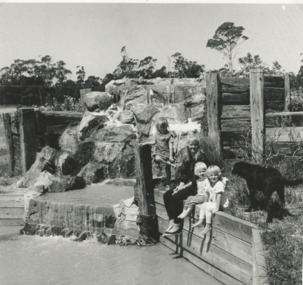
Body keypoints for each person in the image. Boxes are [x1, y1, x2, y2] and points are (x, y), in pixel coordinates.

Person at [162, 137, 210, 235]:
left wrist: (183, 188)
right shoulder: (187, 157)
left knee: (176, 197)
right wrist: (180, 186)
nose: (193, 147)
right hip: (188, 184)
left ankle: (177, 224)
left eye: (195, 145)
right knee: (167, 195)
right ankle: (171, 220)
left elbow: (195, 178)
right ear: (188, 145)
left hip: (198, 185)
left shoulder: (201, 158)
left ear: (198, 146)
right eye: (191, 145)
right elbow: (183, 175)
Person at [191, 165, 228, 235]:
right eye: (211, 175)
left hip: (220, 204)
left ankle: (208, 225)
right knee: (204, 205)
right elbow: (207, 193)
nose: (213, 177)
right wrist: (205, 203)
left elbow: (219, 197)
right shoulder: (209, 183)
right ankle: (201, 220)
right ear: (208, 176)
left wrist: (217, 208)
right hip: (214, 202)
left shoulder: (219, 184)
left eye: (215, 175)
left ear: (219, 175)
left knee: (208, 208)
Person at [152, 117, 176, 187]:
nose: (163, 129)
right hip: (159, 152)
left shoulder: (169, 134)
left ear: (167, 126)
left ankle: (168, 183)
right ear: (157, 127)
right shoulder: (156, 134)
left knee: (167, 169)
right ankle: (171, 165)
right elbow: (154, 143)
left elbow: (170, 145)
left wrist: (171, 156)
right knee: (157, 158)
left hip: (167, 152)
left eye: (164, 127)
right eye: (161, 127)